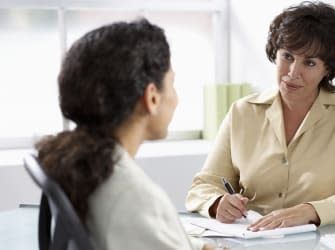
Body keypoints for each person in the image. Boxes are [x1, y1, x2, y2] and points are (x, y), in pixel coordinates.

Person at [186, 1, 335, 230]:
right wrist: (217, 202)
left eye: (309, 63)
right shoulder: (243, 112)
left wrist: (311, 211)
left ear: (327, 69)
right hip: (252, 240)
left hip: (320, 242)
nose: (292, 73)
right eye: (287, 56)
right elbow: (204, 185)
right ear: (275, 53)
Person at [36, 18, 214, 250]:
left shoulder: (79, 162)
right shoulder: (131, 198)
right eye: (172, 83)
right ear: (151, 98)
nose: (177, 98)